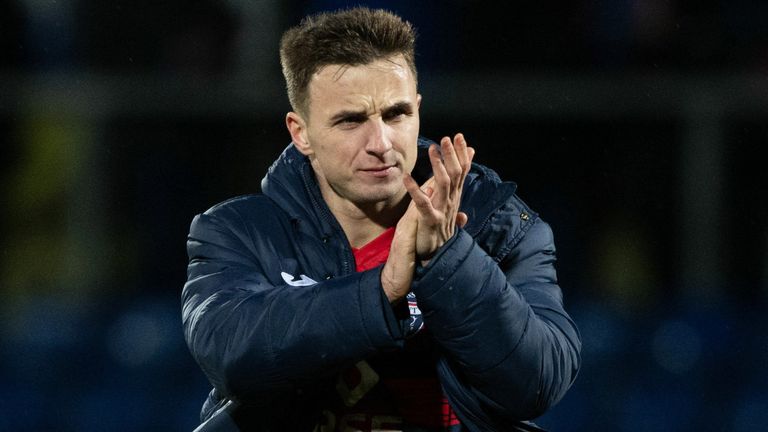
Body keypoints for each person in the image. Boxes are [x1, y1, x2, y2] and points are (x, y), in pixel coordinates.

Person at [182, 7, 581, 432]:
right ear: (301, 133)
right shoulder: (239, 232)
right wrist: (384, 288)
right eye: (350, 120)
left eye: (396, 114)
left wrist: (450, 257)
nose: (381, 143)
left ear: (418, 111)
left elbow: (538, 383)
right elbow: (233, 355)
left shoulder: (498, 226)